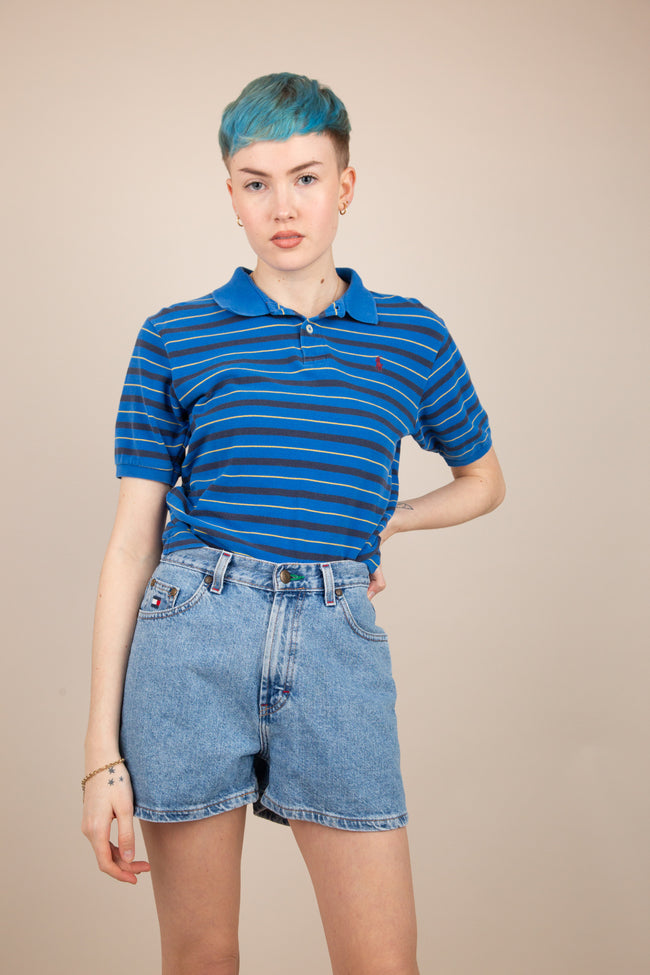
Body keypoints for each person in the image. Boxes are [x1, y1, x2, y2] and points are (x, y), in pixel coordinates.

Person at [81, 72, 505, 975]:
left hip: (336, 638)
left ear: (345, 186)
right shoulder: (175, 336)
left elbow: (483, 481)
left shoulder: (412, 335)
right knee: (202, 955)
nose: (283, 206)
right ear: (231, 194)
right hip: (193, 633)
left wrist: (389, 522)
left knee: (381, 961)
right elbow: (130, 543)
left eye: (306, 177)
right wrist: (99, 757)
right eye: (256, 182)